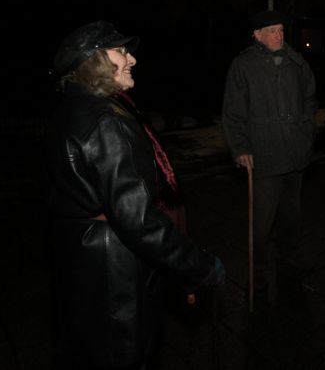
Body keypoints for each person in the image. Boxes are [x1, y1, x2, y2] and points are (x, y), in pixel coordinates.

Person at [45, 20, 225, 370]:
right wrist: (197, 266)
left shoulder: (69, 111)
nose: (132, 59)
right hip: (114, 275)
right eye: (120, 51)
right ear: (94, 61)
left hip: (82, 267)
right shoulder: (106, 121)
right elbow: (138, 220)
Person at [221, 10, 317, 305]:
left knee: (292, 218)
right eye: (272, 30)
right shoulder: (244, 65)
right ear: (257, 35)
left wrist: (305, 130)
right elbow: (233, 111)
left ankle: (289, 266)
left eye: (281, 30)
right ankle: (258, 277)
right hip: (264, 156)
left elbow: (310, 99)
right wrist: (240, 148)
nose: (279, 35)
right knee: (262, 225)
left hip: (295, 155)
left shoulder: (296, 62)